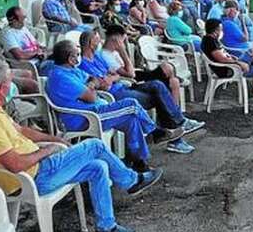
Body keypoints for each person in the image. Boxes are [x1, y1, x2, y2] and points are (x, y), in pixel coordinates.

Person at [0, 60, 163, 232]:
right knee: (95, 146)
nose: (12, 86)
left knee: (98, 167)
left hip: (37, 170)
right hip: (31, 179)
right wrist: (48, 150)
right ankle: (131, 181)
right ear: (1, 89)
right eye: (10, 82)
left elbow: (22, 131)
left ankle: (106, 227)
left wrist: (55, 140)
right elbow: (15, 165)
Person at [45, 40, 183, 171]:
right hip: (86, 118)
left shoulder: (71, 70)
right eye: (77, 54)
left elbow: (94, 79)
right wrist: (92, 88)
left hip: (97, 110)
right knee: (131, 105)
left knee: (131, 119)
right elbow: (92, 97)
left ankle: (139, 162)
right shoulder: (61, 77)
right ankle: (154, 132)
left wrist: (91, 84)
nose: (78, 57)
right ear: (70, 59)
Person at [77, 30, 203, 154]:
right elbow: (102, 85)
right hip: (115, 95)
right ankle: (176, 135)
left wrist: (111, 78)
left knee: (158, 85)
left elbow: (115, 75)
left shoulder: (97, 57)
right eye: (97, 40)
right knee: (160, 98)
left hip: (124, 86)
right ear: (90, 43)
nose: (100, 42)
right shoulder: (83, 65)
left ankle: (177, 128)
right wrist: (109, 79)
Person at [101, 24, 183, 105]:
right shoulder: (106, 56)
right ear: (116, 39)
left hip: (135, 73)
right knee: (171, 80)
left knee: (171, 76)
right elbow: (131, 74)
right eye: (122, 41)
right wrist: (123, 52)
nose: (123, 44)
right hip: (131, 79)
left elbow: (130, 68)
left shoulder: (114, 52)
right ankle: (174, 109)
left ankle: (175, 110)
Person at [202, 18, 253, 108]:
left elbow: (223, 55)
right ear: (215, 31)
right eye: (220, 29)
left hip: (229, 65)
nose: (222, 32)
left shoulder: (211, 39)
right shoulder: (210, 42)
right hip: (228, 69)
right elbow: (222, 59)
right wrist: (239, 63)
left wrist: (232, 57)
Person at [2, 6, 50, 91]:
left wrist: (44, 50)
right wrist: (36, 53)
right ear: (14, 20)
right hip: (32, 65)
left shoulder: (23, 29)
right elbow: (20, 55)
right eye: (23, 18)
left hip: (40, 59)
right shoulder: (8, 34)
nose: (25, 20)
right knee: (58, 68)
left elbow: (36, 45)